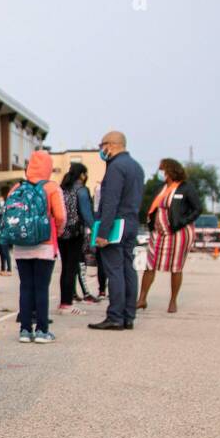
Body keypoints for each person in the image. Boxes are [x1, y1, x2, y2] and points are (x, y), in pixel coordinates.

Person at [88, 131, 144, 330]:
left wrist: (103, 232)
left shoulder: (115, 167)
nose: (101, 150)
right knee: (129, 268)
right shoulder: (136, 167)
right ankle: (129, 315)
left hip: (115, 224)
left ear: (110, 145)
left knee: (115, 270)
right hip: (131, 223)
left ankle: (115, 316)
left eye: (102, 145)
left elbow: (110, 201)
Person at [9, 151, 66, 342]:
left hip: (21, 245)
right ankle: (42, 330)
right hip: (44, 244)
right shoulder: (51, 187)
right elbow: (61, 217)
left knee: (26, 287)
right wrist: (55, 233)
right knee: (42, 287)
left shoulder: (17, 187)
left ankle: (25, 330)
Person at [136, 158, 202, 313]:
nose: (162, 174)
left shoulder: (186, 188)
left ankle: (173, 301)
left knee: (176, 267)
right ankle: (142, 299)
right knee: (150, 265)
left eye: (164, 171)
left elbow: (197, 209)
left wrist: (182, 222)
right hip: (158, 232)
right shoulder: (161, 188)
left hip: (178, 233)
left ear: (172, 171)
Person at [57, 161, 95, 315]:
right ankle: (67, 303)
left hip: (61, 232)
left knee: (65, 268)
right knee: (71, 268)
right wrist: (95, 229)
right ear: (82, 174)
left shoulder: (62, 188)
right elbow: (86, 214)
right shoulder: (81, 190)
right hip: (75, 233)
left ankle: (63, 301)